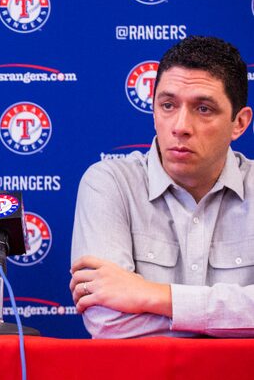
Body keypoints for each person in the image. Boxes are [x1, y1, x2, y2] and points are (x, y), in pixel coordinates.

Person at [69, 35, 254, 338]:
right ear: (154, 110)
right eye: (168, 105)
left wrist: (153, 296)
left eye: (203, 109)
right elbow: (106, 320)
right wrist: (229, 321)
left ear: (239, 123)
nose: (180, 125)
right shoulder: (109, 183)